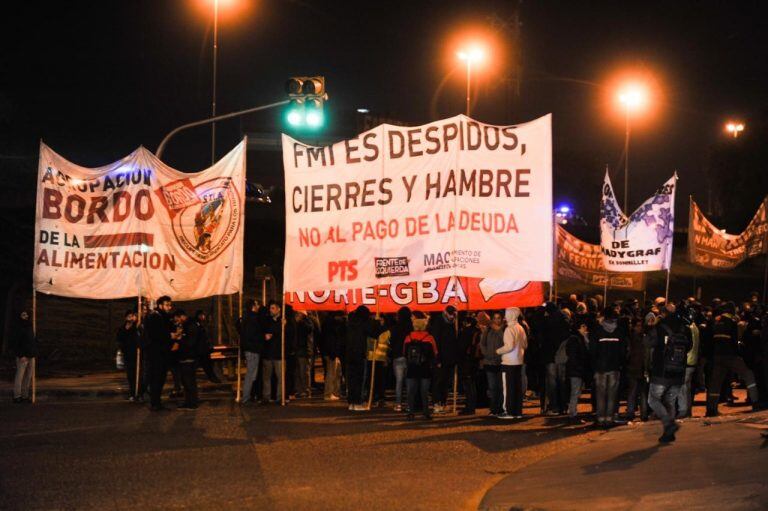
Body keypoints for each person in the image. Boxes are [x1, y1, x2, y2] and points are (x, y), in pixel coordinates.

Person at [706, 302, 761, 416]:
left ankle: (711, 409)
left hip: (717, 357)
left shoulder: (716, 322)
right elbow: (734, 341)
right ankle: (755, 402)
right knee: (748, 374)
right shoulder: (731, 322)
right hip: (730, 356)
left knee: (716, 383)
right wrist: (738, 354)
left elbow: (711, 340)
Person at [648, 304, 692, 443]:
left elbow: (648, 343)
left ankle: (669, 424)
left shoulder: (660, 327)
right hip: (679, 371)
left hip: (661, 371)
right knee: (670, 402)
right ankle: (668, 434)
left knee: (653, 400)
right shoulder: (685, 328)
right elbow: (689, 347)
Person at [590, 307, 626, 427]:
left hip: (600, 367)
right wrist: (620, 363)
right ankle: (609, 418)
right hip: (614, 367)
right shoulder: (619, 331)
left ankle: (600, 418)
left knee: (600, 393)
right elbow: (623, 351)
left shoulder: (597, 330)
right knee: (612, 394)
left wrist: (594, 364)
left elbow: (593, 350)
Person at [404, 311, 438, 420]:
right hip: (425, 368)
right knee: (424, 392)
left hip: (412, 368)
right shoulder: (429, 337)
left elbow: (404, 352)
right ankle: (426, 412)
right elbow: (435, 353)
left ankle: (410, 412)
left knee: (411, 392)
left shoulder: (408, 337)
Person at [345, 306, 378, 411]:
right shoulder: (364, 323)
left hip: (349, 355)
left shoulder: (349, 323)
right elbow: (374, 333)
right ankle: (358, 402)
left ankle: (351, 403)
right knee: (359, 379)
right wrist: (376, 323)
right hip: (359, 354)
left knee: (351, 380)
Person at [496, 308, 527, 419]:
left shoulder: (509, 329)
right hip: (519, 361)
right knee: (517, 387)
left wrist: (498, 351)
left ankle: (508, 411)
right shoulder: (521, 328)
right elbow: (525, 345)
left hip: (509, 362)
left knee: (507, 388)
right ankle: (517, 411)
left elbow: (509, 346)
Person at [145, 296, 175, 411]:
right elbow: (155, 334)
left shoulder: (164, 316)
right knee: (156, 377)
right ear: (160, 305)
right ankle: (155, 403)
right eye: (167, 305)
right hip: (156, 352)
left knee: (160, 377)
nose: (169, 307)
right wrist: (170, 335)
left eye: (170, 305)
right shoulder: (155, 316)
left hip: (162, 352)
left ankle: (157, 402)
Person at [541, 302, 570, 415]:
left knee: (552, 382)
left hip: (550, 355)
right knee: (562, 381)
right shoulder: (564, 319)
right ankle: (564, 405)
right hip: (562, 354)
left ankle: (554, 406)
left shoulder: (547, 321)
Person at [429, 305, 459, 414]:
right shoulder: (438, 323)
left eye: (453, 314)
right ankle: (436, 403)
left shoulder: (454, 323)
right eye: (450, 314)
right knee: (438, 381)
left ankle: (443, 402)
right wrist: (437, 359)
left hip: (449, 359)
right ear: (445, 312)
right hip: (440, 359)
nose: (452, 316)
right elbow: (435, 342)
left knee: (446, 382)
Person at [480, 311, 505, 416]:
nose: (496, 320)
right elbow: (482, 343)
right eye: (494, 318)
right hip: (489, 362)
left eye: (498, 318)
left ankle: (500, 408)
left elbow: (506, 342)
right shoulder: (488, 330)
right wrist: (486, 354)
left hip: (500, 362)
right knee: (492, 387)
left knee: (500, 387)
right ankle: (493, 408)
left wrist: (498, 330)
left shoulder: (505, 330)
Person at [565, 319, 591, 421]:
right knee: (575, 392)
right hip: (576, 370)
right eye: (583, 327)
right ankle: (572, 413)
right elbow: (575, 356)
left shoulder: (579, 338)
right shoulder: (575, 339)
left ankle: (572, 411)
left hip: (577, 369)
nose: (585, 329)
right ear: (578, 328)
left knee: (576, 391)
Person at [624, 317, 649, 420]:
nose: (640, 328)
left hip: (637, 368)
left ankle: (637, 413)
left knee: (638, 393)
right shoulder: (635, 339)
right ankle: (639, 414)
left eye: (641, 326)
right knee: (637, 392)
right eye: (638, 326)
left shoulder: (636, 338)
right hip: (636, 368)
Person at [10, 310, 37, 403]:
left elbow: (32, 341)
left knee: (28, 377)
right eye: (23, 315)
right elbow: (16, 343)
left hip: (31, 355)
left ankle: (25, 395)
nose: (25, 316)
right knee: (20, 376)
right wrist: (21, 355)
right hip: (23, 356)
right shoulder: (18, 327)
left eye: (26, 314)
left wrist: (34, 353)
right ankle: (17, 396)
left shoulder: (30, 326)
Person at [240, 299, 264, 405]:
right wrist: (263, 336)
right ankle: (245, 398)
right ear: (253, 306)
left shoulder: (246, 318)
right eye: (257, 304)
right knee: (250, 375)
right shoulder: (253, 318)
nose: (259, 306)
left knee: (251, 374)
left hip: (249, 349)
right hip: (253, 349)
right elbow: (253, 335)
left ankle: (247, 397)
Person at [389, 307, 413, 411]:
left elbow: (391, 342)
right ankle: (409, 405)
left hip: (397, 356)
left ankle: (398, 404)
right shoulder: (411, 327)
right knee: (409, 382)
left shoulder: (394, 328)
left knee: (398, 382)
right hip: (409, 356)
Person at [457, 314, 481, 415]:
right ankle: (472, 406)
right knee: (472, 384)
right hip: (475, 360)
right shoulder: (478, 331)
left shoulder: (466, 332)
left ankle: (469, 407)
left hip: (467, 361)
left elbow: (461, 348)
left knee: (468, 384)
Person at [175, 310, 199, 410]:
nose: (177, 321)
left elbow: (190, 343)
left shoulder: (189, 326)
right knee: (187, 381)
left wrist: (180, 339)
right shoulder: (188, 325)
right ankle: (189, 402)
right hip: (187, 357)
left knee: (188, 381)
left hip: (188, 357)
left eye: (178, 319)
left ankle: (191, 403)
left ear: (182, 316)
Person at [261, 300, 283, 404]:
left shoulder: (282, 321)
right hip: (268, 353)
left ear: (279, 309)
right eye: (270, 308)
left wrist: (273, 334)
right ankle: (266, 397)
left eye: (273, 308)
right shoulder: (266, 320)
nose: (271, 310)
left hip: (279, 354)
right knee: (267, 377)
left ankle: (279, 397)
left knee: (280, 377)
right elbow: (262, 332)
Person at [116, 310, 141, 401]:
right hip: (127, 354)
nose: (131, 318)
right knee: (130, 375)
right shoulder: (122, 328)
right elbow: (119, 338)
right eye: (129, 316)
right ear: (126, 317)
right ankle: (132, 392)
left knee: (138, 374)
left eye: (132, 316)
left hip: (137, 353)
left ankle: (138, 393)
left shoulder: (137, 327)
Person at [320, 312, 345, 400]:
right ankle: (329, 393)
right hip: (332, 353)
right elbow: (330, 341)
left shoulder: (330, 324)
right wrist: (331, 353)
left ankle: (335, 392)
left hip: (333, 353)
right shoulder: (331, 325)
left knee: (337, 373)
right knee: (332, 373)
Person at [194, 310, 220, 383]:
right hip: (201, 350)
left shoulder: (201, 325)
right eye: (203, 315)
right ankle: (213, 378)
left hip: (203, 349)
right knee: (206, 365)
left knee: (207, 365)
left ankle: (213, 378)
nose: (204, 317)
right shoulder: (198, 325)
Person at [293, 310, 315, 398]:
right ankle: (299, 390)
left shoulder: (307, 322)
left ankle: (306, 390)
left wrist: (300, 322)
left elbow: (309, 329)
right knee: (298, 372)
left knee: (304, 372)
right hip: (298, 350)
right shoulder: (296, 323)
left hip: (305, 351)